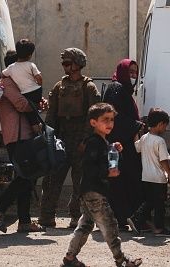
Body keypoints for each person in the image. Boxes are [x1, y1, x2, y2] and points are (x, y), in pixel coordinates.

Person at [61, 103, 142, 267]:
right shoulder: (93, 142)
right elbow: (90, 167)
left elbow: (108, 163)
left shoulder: (103, 142)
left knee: (85, 225)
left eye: (112, 119)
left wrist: (117, 151)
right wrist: (106, 173)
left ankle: (70, 258)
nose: (110, 123)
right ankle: (122, 260)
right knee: (110, 225)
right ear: (93, 123)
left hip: (90, 191)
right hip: (94, 192)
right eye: (105, 119)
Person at [38, 48, 100, 228]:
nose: (65, 66)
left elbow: (93, 116)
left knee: (80, 181)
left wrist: (87, 140)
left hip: (81, 137)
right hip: (62, 137)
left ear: (78, 64)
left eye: (68, 63)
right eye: (63, 63)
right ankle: (47, 215)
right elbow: (51, 115)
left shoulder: (88, 87)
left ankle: (76, 216)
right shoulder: (60, 87)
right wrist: (49, 137)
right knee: (52, 178)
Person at [0, 50, 46, 233]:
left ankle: (25, 220)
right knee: (25, 176)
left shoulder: (16, 82)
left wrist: (39, 102)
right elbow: (21, 104)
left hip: (24, 135)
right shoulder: (7, 83)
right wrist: (36, 105)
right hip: (17, 136)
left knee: (27, 177)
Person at [103, 59, 144, 230]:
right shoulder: (116, 88)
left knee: (124, 181)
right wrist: (136, 125)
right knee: (119, 181)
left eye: (135, 72)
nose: (133, 76)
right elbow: (113, 115)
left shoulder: (123, 90)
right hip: (117, 143)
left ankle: (123, 218)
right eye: (130, 72)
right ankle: (120, 218)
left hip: (123, 142)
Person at [127, 108, 170, 237]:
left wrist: (135, 132)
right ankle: (158, 228)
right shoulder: (160, 141)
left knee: (150, 201)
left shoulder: (144, 138)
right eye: (165, 126)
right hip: (158, 178)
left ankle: (136, 218)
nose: (165, 129)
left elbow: (136, 147)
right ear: (160, 124)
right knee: (160, 205)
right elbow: (164, 160)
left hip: (146, 177)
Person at [1, 39, 43, 133]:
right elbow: (39, 78)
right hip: (37, 91)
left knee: (31, 116)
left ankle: (37, 131)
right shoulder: (31, 65)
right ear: (30, 55)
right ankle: (40, 132)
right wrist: (38, 85)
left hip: (26, 94)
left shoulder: (11, 68)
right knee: (35, 113)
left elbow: (3, 74)